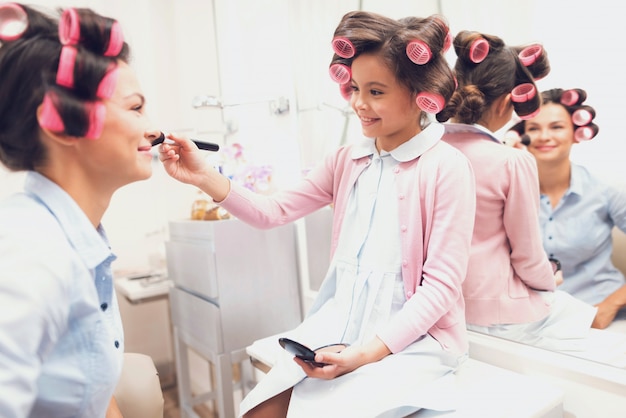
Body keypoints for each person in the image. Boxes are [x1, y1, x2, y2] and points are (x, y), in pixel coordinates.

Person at [160, 10, 476, 418]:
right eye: (356, 88)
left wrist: (366, 353)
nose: (359, 104)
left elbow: (441, 287)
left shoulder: (446, 168)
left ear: (419, 93)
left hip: (416, 342)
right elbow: (271, 212)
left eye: (376, 92)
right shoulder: (347, 160)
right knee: (257, 411)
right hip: (338, 326)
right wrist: (204, 177)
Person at [0, 3, 160, 417]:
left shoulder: (78, 239)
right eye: (135, 107)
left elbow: (90, 382)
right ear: (62, 124)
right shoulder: (30, 253)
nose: (154, 130)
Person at [437, 30, 598, 352]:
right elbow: (526, 256)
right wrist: (547, 280)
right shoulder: (513, 161)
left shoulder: (423, 153)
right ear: (510, 102)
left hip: (436, 308)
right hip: (496, 310)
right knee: (581, 319)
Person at [509, 88, 626, 330]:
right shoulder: (508, 192)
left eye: (556, 127)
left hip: (600, 320)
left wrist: (609, 306)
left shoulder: (604, 190)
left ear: (577, 132)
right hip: (534, 321)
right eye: (534, 129)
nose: (544, 136)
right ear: (522, 136)